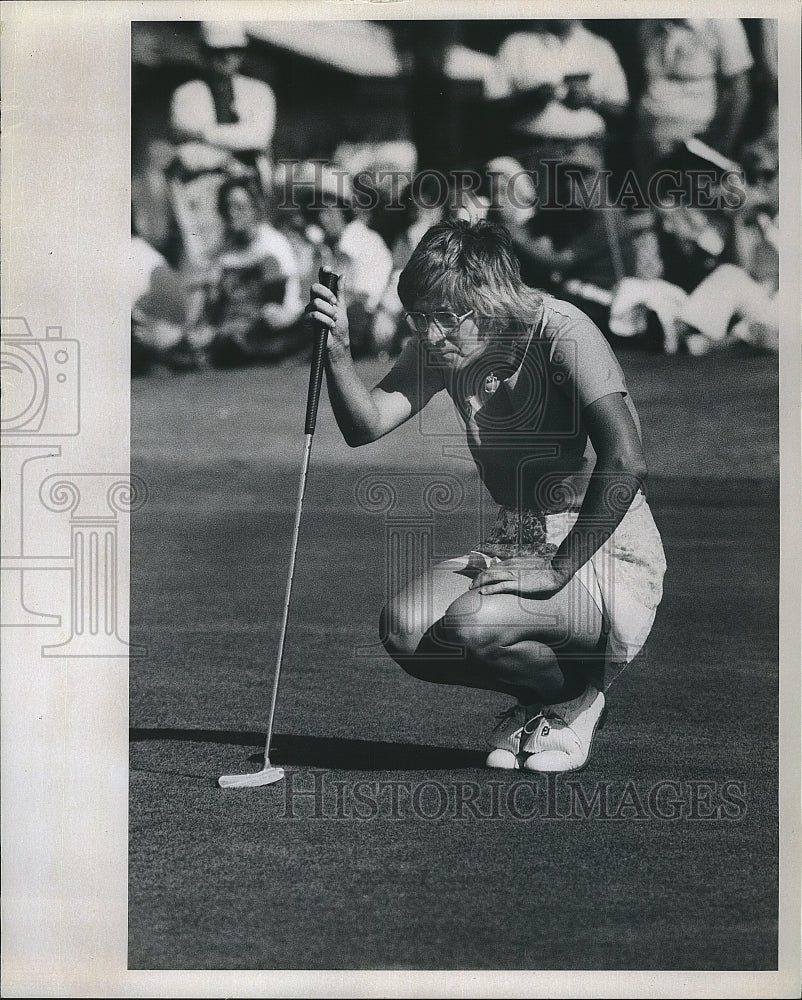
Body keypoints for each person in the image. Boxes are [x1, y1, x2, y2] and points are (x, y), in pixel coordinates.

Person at [306, 220, 667, 773]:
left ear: (489, 302)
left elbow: (626, 461)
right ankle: (543, 698)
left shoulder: (563, 331)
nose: (429, 335)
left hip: (602, 547)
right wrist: (337, 354)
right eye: (418, 318)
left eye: (444, 319)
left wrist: (556, 571)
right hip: (518, 537)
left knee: (472, 626)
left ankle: (577, 698)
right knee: (404, 631)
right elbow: (367, 424)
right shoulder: (442, 346)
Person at [169, 21, 277, 262]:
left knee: (253, 257)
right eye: (218, 50)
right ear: (204, 53)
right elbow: (187, 156)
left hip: (249, 192)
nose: (227, 57)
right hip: (202, 196)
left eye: (234, 50)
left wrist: (204, 134)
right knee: (207, 261)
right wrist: (232, 152)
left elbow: (259, 137)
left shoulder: (259, 92)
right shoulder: (187, 94)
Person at [204, 178, 306, 366]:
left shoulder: (272, 246)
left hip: (271, 326)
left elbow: (274, 306)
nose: (232, 213)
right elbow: (215, 303)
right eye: (227, 207)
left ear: (255, 209)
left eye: (240, 207)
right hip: (232, 330)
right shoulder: (224, 252)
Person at [636, 19, 753, 181]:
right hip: (649, 134)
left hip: (697, 138)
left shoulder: (723, 22)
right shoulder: (651, 22)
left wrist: (719, 146)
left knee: (695, 202)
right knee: (655, 201)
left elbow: (740, 91)